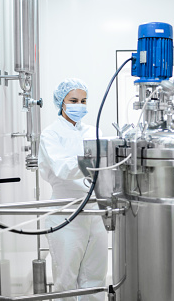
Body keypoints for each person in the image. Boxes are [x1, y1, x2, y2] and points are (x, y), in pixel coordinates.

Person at [38, 78, 107, 301]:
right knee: (66, 279)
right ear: (62, 102)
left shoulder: (94, 131)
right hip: (65, 211)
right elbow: (61, 168)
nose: (80, 105)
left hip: (95, 211)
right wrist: (91, 160)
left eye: (84, 101)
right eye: (74, 100)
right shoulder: (51, 134)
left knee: (95, 276)